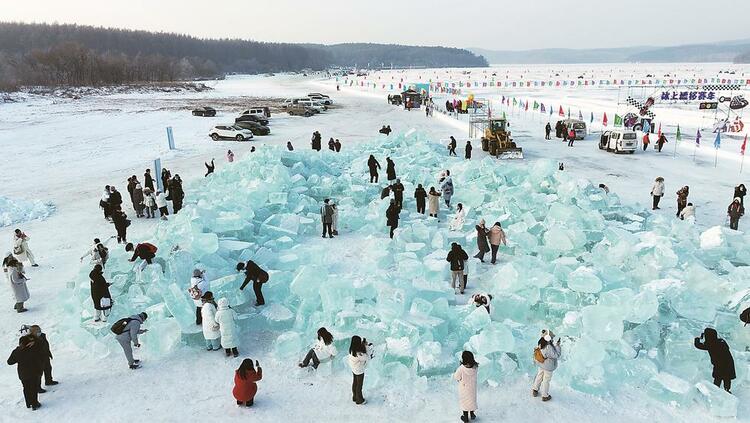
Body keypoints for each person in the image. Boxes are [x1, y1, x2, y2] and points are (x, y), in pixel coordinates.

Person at [7, 335, 42, 410]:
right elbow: (38, 358)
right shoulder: (32, 349)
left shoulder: (16, 351)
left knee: (26, 388)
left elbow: (9, 362)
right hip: (33, 372)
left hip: (23, 374)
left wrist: (17, 352)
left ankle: (28, 403)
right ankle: (35, 404)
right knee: (33, 388)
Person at [694, 328, 735, 392]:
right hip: (728, 362)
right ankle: (727, 390)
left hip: (719, 364)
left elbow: (698, 345)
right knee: (727, 378)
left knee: (718, 378)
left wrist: (698, 338)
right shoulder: (721, 341)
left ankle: (715, 391)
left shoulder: (710, 344)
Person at [531, 329, 561, 402]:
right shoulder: (548, 347)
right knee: (546, 380)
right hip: (548, 366)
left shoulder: (541, 342)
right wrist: (557, 346)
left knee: (539, 376)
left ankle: (535, 390)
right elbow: (556, 355)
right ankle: (545, 395)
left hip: (541, 364)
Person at [453, 351, 478, 422]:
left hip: (464, 389)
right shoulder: (475, 367)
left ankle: (466, 418)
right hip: (472, 388)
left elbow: (456, 377)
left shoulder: (461, 369)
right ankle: (472, 414)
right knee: (471, 400)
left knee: (465, 403)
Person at [348, 336, 371, 405]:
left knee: (355, 382)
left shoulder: (352, 349)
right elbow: (367, 357)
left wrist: (363, 345)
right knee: (359, 386)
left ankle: (354, 397)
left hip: (354, 368)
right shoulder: (359, 353)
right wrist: (366, 346)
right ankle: (359, 400)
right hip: (359, 370)